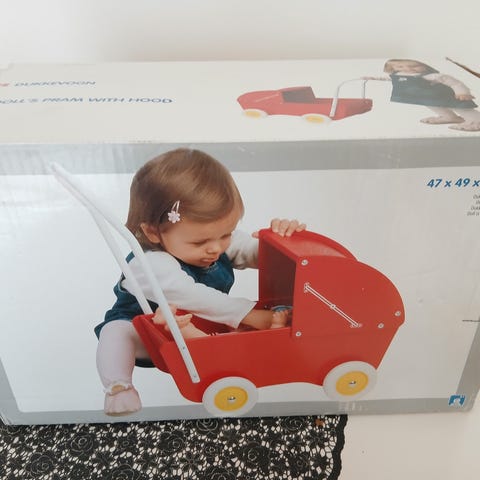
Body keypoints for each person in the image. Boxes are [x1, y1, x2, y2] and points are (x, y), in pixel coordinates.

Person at [95, 148, 306, 416]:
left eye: (226, 234)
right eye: (200, 242)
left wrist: (279, 241)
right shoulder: (148, 264)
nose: (216, 248)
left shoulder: (212, 240)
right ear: (153, 232)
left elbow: (253, 252)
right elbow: (192, 295)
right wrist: (250, 315)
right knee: (115, 331)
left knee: (236, 332)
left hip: (198, 327)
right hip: (149, 336)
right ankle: (119, 387)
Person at [365, 59, 480, 131]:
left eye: (414, 66)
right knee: (434, 106)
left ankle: (476, 122)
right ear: (393, 68)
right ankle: (449, 117)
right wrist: (373, 78)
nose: (407, 69)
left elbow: (454, 82)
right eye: (400, 67)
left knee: (460, 107)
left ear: (425, 66)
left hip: (446, 95)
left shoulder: (430, 76)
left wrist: (462, 92)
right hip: (428, 97)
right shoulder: (398, 75)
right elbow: (390, 79)